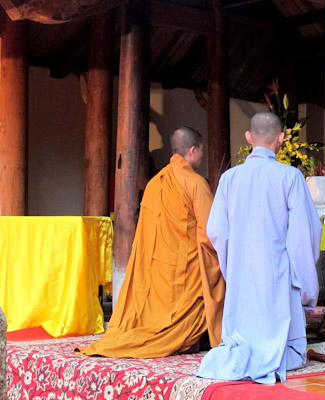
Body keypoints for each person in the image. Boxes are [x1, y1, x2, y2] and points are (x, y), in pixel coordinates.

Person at [77, 127, 225, 358]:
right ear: (193, 151)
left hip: (157, 269)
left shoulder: (155, 183)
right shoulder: (195, 183)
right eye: (202, 151)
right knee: (217, 275)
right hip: (187, 273)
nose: (202, 156)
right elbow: (210, 233)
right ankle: (187, 335)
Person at [197, 112, 321, 384]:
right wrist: (306, 285)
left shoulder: (229, 178)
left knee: (242, 333)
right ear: (281, 138)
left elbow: (216, 230)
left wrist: (232, 265)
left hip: (241, 273)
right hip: (277, 273)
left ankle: (243, 355)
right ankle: (273, 355)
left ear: (248, 137)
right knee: (285, 347)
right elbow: (303, 234)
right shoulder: (290, 176)